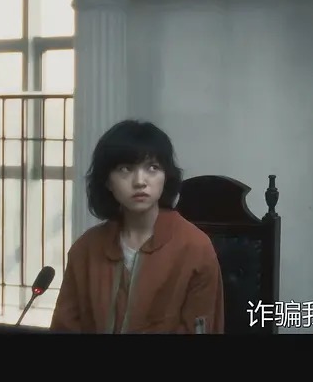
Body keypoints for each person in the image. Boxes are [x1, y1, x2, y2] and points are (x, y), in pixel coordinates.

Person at [50, 119, 224, 334]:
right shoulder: (85, 249)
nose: (140, 181)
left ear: (165, 177)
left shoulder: (195, 248)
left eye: (152, 168)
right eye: (125, 169)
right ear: (107, 181)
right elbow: (65, 325)